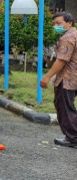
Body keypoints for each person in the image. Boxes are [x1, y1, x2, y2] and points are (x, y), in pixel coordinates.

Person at [40, 12, 77, 148]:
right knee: (69, 106)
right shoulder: (75, 34)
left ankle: (73, 138)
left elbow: (61, 60)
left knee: (64, 107)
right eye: (54, 23)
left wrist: (47, 76)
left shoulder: (67, 38)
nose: (56, 26)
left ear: (69, 23)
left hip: (67, 79)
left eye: (59, 23)